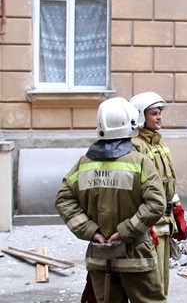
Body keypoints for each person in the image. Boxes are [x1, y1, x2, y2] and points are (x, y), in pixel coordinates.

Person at [54, 97, 166, 303]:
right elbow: (156, 203)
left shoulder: (84, 163)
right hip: (136, 258)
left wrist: (91, 231)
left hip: (100, 257)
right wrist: (125, 231)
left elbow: (63, 199)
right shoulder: (140, 162)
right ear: (132, 124)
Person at [130, 91, 187, 296]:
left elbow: (168, 181)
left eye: (159, 113)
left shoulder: (160, 143)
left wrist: (178, 211)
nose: (159, 117)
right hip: (150, 225)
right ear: (140, 116)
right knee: (151, 284)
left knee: (162, 283)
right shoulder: (135, 146)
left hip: (165, 222)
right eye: (154, 114)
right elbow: (137, 189)